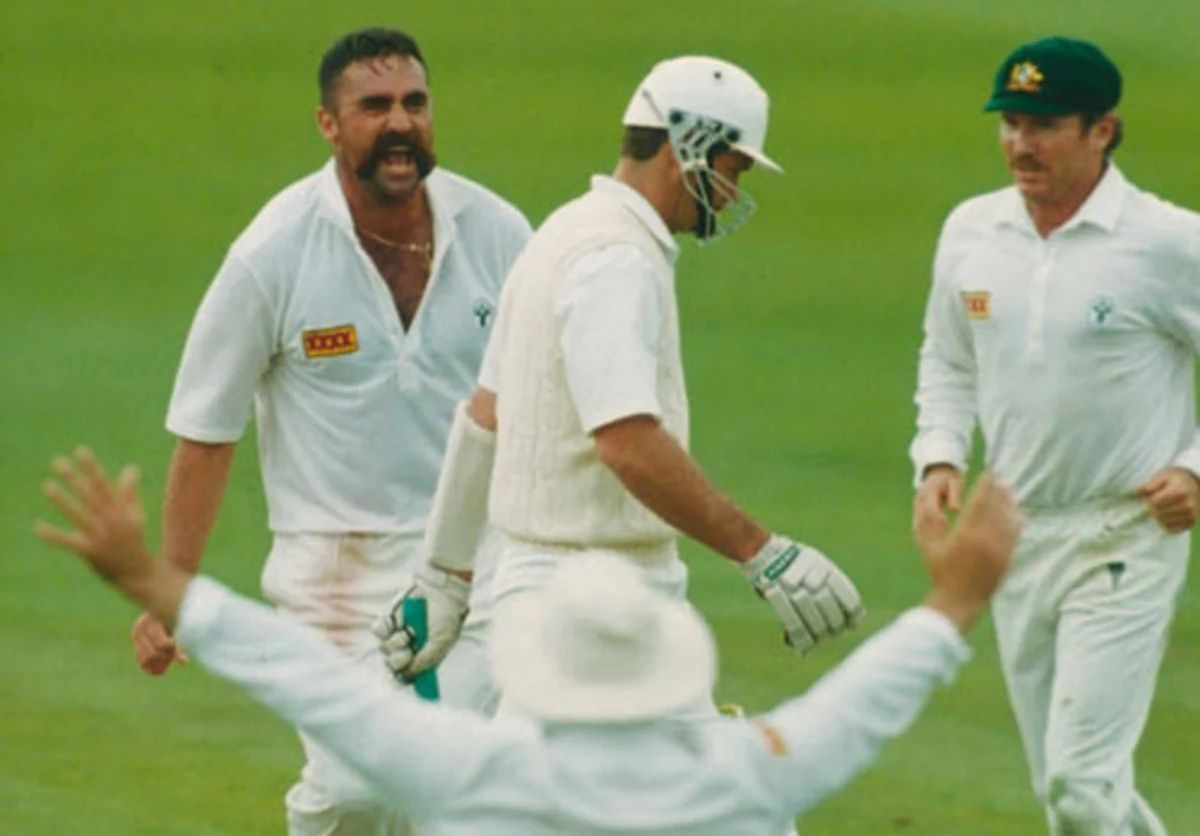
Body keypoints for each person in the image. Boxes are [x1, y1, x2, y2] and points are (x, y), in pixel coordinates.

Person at [38, 447, 1018, 835]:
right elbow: (851, 710)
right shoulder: (739, 771)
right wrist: (952, 606)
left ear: (540, 669)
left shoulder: (475, 767)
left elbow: (317, 684)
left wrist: (158, 581)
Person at [130, 27, 531, 836]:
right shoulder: (273, 254)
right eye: (374, 107)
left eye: (414, 104)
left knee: (472, 792)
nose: (400, 124)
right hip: (335, 569)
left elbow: (548, 406)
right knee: (357, 794)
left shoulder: (499, 235)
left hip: (479, 558)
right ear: (328, 123)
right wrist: (170, 590)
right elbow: (207, 433)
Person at [374, 56, 864, 692]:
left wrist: (443, 575)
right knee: (661, 786)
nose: (735, 191)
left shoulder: (565, 230)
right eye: (733, 168)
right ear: (688, 147)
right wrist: (760, 551)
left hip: (551, 589)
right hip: (596, 595)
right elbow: (626, 443)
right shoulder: (616, 259)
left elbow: (485, 420)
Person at [910, 36, 1200, 835]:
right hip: (1015, 537)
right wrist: (938, 454)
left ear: (1101, 130)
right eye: (1009, 121)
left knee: (1079, 785)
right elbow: (948, 360)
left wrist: (1194, 469)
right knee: (1072, 792)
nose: (1019, 143)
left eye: (1043, 124)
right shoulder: (971, 231)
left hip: (1123, 534)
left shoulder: (1167, 243)